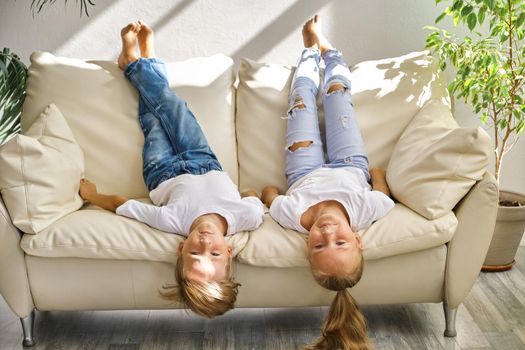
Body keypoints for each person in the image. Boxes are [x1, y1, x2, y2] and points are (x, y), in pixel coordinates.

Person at [79, 21, 264, 318]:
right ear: (229, 251)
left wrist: (93, 195)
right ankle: (136, 63)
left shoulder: (172, 221)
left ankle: (143, 61)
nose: (204, 242)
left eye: (194, 253)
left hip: (161, 169)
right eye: (214, 253)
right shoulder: (247, 217)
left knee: (152, 118)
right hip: (203, 159)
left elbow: (122, 206)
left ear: (180, 249)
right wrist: (248, 196)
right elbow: (253, 196)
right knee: (175, 109)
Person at [261, 15, 395, 350]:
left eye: (319, 246)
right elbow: (382, 189)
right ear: (358, 240)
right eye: (341, 243)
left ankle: (308, 51)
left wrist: (264, 195)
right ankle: (328, 51)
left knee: (302, 100)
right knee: (337, 95)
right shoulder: (367, 210)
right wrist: (374, 174)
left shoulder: (296, 218)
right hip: (351, 164)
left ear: (307, 246)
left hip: (303, 168)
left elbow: (269, 195)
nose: (328, 234)